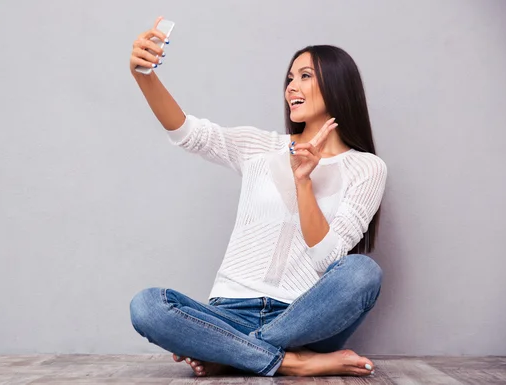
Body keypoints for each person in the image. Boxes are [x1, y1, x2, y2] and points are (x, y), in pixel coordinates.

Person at [128, 17, 387, 378]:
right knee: (148, 306)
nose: (291, 86)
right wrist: (144, 75)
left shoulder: (367, 168)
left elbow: (328, 257)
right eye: (290, 78)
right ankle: (291, 361)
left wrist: (303, 182)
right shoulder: (261, 148)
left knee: (364, 272)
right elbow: (189, 133)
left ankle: (233, 350)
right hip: (228, 311)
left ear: (338, 84)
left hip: (305, 317)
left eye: (305, 76)